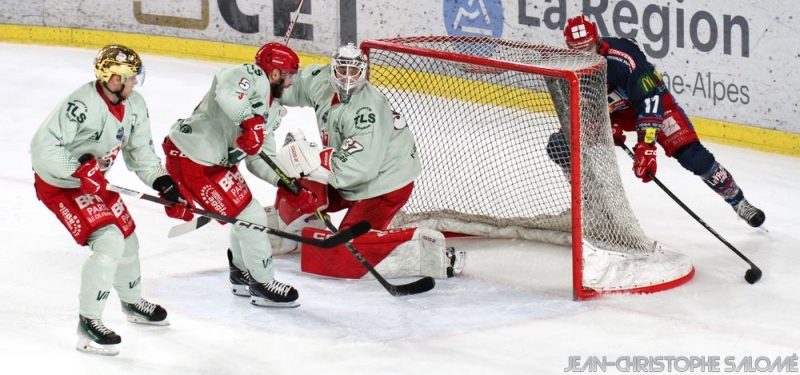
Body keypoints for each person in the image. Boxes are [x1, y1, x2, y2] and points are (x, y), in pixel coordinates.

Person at [30, 45, 194, 356]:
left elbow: (141, 154)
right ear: (115, 79)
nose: (135, 84)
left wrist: (166, 186)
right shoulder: (81, 104)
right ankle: (89, 323)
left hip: (94, 182)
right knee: (109, 241)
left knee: (128, 239)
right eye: (131, 78)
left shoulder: (135, 105)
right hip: (61, 185)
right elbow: (43, 149)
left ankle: (132, 303)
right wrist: (77, 171)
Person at [273, 43, 465, 280]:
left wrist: (311, 161)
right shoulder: (319, 80)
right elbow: (287, 88)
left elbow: (359, 169)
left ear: (363, 72)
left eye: (353, 72)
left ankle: (424, 248)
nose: (347, 78)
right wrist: (268, 89)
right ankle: (292, 235)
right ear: (332, 69)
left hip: (384, 184)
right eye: (341, 70)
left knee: (343, 256)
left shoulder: (367, 112)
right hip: (349, 171)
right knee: (294, 185)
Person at [559, 15, 765, 227]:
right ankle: (590, 205)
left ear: (597, 41)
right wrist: (604, 123)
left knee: (693, 157)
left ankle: (739, 202)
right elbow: (579, 107)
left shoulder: (623, 59)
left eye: (588, 48)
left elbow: (649, 101)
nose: (584, 55)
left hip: (656, 106)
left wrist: (646, 147)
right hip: (616, 113)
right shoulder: (568, 67)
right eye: (577, 51)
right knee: (561, 144)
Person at [163, 42, 308, 308]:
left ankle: (241, 274)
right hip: (193, 157)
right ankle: (262, 283)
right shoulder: (250, 75)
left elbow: (259, 157)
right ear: (274, 73)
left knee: (244, 214)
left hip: (215, 164)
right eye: (288, 75)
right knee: (249, 215)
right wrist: (248, 122)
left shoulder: (273, 109)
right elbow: (228, 94)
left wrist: (285, 182)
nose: (290, 83)